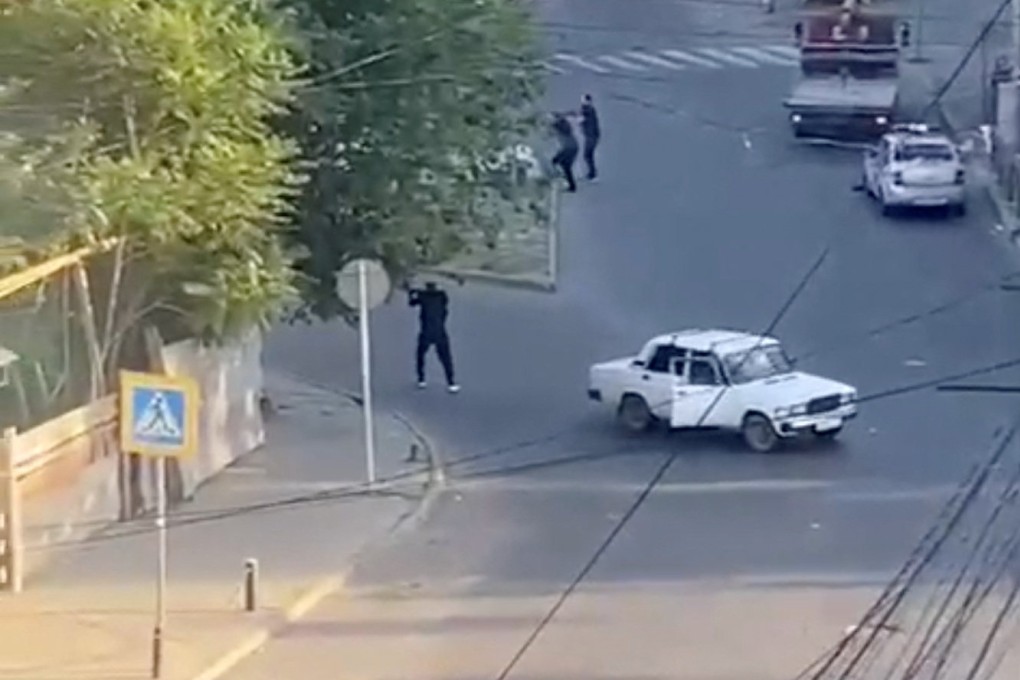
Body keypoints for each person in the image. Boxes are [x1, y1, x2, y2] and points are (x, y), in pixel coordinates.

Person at [408, 281, 459, 393]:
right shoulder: (441, 296)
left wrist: (411, 293)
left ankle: (421, 379)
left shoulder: (423, 296)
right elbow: (445, 304)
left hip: (426, 331)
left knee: (420, 355)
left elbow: (411, 303)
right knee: (446, 358)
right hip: (440, 331)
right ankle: (451, 382)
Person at [551, 113, 578, 192]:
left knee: (559, 162)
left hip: (570, 148)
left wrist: (555, 125)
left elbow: (565, 129)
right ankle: (569, 182)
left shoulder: (562, 125)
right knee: (562, 163)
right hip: (569, 147)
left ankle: (571, 185)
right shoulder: (561, 125)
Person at [578, 94, 600, 180]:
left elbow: (582, 119)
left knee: (587, 155)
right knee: (588, 155)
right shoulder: (590, 110)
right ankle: (592, 172)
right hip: (592, 136)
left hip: (591, 136)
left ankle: (592, 173)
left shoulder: (587, 111)